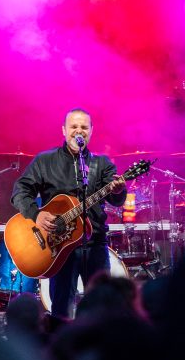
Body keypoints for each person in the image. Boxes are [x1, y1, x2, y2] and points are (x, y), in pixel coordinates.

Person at [11, 108, 127, 319]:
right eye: (74, 127)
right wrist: (36, 214)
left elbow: (115, 199)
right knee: (62, 309)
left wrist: (119, 191)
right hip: (58, 249)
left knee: (102, 309)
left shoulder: (101, 164)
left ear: (91, 131)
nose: (78, 131)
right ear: (64, 130)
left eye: (84, 127)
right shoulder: (44, 161)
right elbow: (20, 191)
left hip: (95, 245)